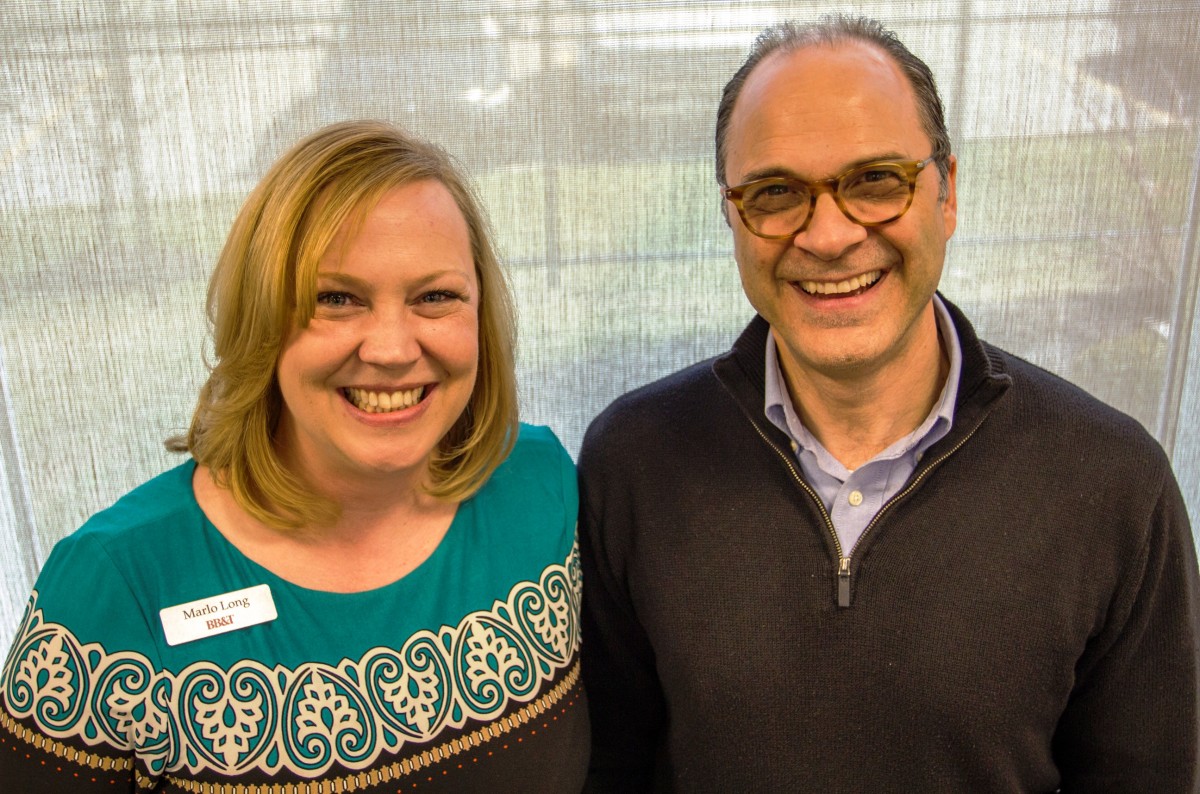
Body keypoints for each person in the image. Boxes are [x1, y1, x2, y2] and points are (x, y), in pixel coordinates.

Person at [579, 15, 1200, 792]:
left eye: (876, 180)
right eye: (775, 192)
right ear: (732, 218)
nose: (830, 235)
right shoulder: (634, 463)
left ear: (948, 194)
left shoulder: (1114, 486)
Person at [0, 120, 588, 792]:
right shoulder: (112, 589)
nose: (392, 349)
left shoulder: (540, 487)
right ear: (261, 319)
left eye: (435, 297)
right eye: (336, 299)